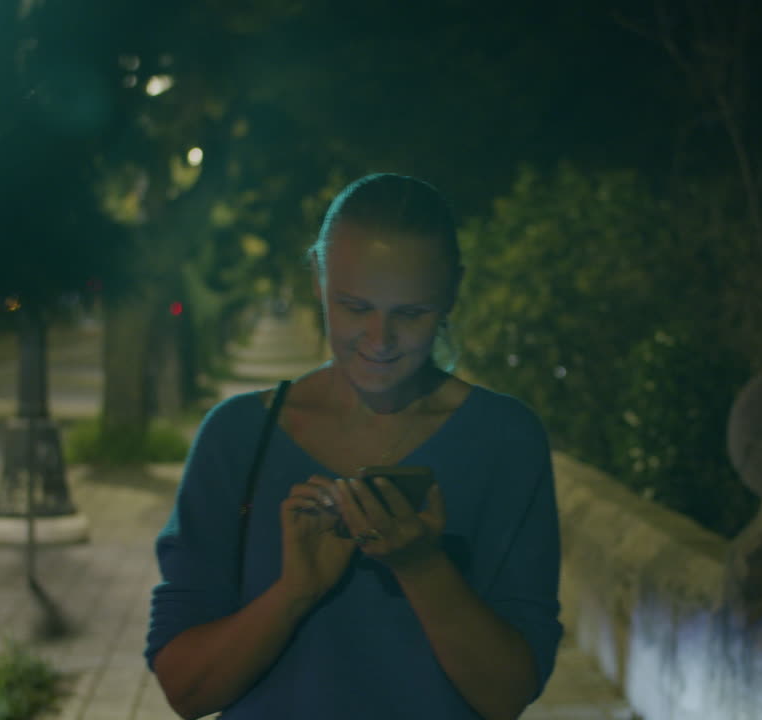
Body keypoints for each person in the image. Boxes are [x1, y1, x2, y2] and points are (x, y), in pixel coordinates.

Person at [145, 173, 563, 719]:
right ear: (318, 279)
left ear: (452, 290)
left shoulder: (507, 438)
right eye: (355, 307)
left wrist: (421, 567)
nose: (379, 340)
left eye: (410, 314)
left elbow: (508, 693)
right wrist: (295, 591)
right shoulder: (238, 437)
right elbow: (187, 691)